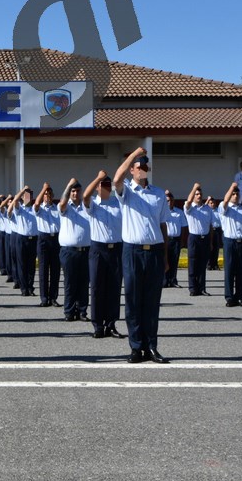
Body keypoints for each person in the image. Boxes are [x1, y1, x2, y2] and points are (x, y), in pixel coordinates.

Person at [114, 148, 170, 364]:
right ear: (132, 170)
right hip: (133, 252)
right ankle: (136, 347)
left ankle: (151, 346)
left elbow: (163, 225)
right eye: (139, 167)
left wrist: (165, 256)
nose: (142, 170)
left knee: (152, 302)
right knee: (133, 301)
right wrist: (133, 155)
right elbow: (117, 178)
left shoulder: (158, 194)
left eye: (145, 167)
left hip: (154, 251)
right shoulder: (127, 191)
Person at [84, 171, 124, 339]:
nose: (106, 187)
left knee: (114, 288)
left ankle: (111, 324)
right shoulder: (93, 204)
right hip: (98, 249)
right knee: (97, 288)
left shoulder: (118, 203)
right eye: (102, 185)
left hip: (116, 249)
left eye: (108, 184)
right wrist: (98, 178)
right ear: (97, 187)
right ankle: (98, 325)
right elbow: (85, 196)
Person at [57, 178, 91, 322]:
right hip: (69, 251)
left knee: (84, 282)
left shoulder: (87, 206)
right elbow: (62, 203)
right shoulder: (65, 207)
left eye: (77, 191)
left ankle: (82, 311)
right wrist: (69, 185)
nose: (75, 193)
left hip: (85, 250)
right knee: (70, 282)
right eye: (73, 191)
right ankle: (69, 311)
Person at [218, 181, 242, 307]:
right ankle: (229, 297)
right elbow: (225, 201)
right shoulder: (225, 208)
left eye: (237, 193)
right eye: (233, 194)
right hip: (230, 242)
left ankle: (239, 296)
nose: (236, 196)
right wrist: (232, 186)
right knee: (229, 270)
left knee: (241, 271)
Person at [33, 185, 61, 308]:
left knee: (55, 270)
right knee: (43, 270)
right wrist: (43, 189)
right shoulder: (39, 208)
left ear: (53, 196)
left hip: (55, 239)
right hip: (43, 239)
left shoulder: (57, 208)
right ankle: (44, 298)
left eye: (49, 194)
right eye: (45, 194)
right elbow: (36, 203)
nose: (47, 196)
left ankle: (53, 297)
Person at [8, 185, 39, 297]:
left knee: (31, 265)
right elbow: (15, 201)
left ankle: (30, 287)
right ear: (22, 197)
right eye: (26, 195)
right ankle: (24, 288)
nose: (28, 197)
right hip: (21, 239)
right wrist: (23, 191)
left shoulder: (34, 209)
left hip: (33, 239)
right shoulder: (19, 209)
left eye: (30, 195)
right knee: (22, 264)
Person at [183, 183, 213, 297]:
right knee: (193, 264)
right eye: (196, 194)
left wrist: (210, 242)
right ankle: (193, 288)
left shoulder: (207, 209)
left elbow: (210, 226)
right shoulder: (190, 208)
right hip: (194, 238)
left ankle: (202, 288)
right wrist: (194, 188)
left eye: (200, 194)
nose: (199, 196)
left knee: (202, 264)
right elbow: (188, 201)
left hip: (205, 238)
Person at [163, 190, 184, 288]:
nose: (169, 202)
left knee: (174, 260)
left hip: (175, 239)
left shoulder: (179, 212)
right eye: (167, 200)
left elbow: (183, 226)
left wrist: (182, 240)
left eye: (171, 200)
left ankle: (173, 280)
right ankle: (164, 280)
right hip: (165, 239)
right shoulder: (162, 212)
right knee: (165, 259)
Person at [206, 197, 222, 271]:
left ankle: (215, 264)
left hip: (217, 230)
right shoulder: (207, 210)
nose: (212, 204)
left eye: (214, 203)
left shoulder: (218, 210)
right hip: (209, 230)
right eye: (211, 203)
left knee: (216, 247)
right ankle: (209, 264)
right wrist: (207, 200)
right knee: (209, 247)